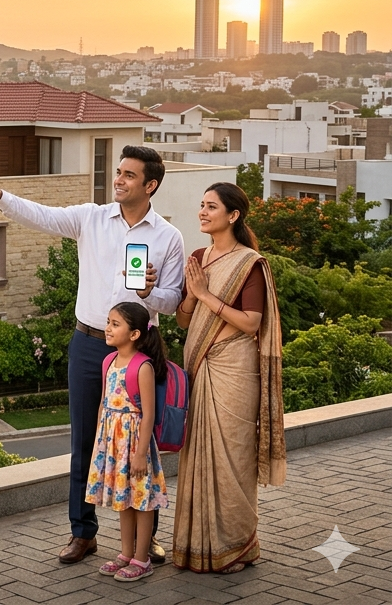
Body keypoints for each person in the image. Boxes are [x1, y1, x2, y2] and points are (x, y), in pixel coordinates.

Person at [0, 144, 184, 566]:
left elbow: (172, 302)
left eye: (128, 175)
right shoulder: (92, 218)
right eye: (117, 172)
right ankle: (82, 534)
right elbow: (43, 215)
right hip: (90, 345)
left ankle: (145, 540)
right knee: (83, 441)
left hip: (142, 352)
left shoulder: (167, 237)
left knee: (145, 442)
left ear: (150, 185)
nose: (118, 180)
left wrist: (147, 293)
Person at [172, 182, 286, 573]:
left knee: (232, 459)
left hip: (234, 370)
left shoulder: (248, 262)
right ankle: (197, 548)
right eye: (201, 205)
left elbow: (251, 323)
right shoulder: (199, 257)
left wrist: (205, 295)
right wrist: (191, 296)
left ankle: (236, 547)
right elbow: (184, 318)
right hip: (199, 367)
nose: (202, 212)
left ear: (233, 215)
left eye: (211, 207)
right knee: (199, 455)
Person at [86, 302, 169, 582]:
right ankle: (125, 553)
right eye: (108, 322)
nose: (108, 328)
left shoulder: (142, 366)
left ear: (134, 334)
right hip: (113, 443)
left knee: (141, 501)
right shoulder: (108, 361)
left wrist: (140, 453)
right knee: (124, 499)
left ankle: (142, 558)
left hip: (135, 445)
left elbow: (148, 415)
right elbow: (103, 403)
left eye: (115, 324)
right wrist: (100, 441)